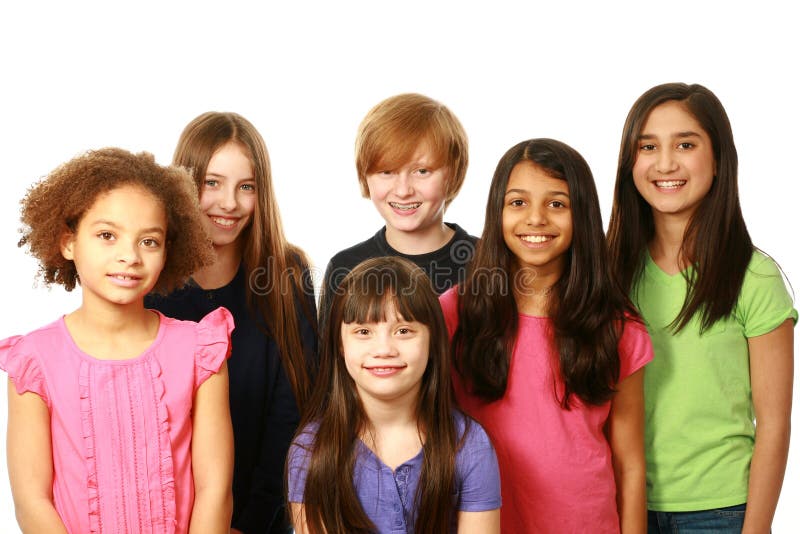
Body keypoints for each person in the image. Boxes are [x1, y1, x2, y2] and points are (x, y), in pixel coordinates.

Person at [0, 148, 234, 533]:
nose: (129, 256)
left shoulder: (200, 353)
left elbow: (215, 489)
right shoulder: (35, 361)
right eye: (107, 235)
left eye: (149, 241)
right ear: (68, 242)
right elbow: (31, 500)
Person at [607, 82, 797, 533]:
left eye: (685, 144)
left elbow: (774, 424)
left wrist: (756, 529)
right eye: (647, 146)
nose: (665, 163)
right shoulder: (608, 274)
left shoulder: (755, 278)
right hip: (619, 503)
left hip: (721, 513)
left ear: (718, 161)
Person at [441, 138, 653, 533]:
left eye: (557, 204)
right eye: (518, 202)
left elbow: (630, 463)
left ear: (583, 215)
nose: (536, 219)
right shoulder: (455, 313)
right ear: (497, 212)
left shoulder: (617, 327)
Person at [145, 111, 317, 534]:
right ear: (185, 184)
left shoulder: (286, 274)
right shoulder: (148, 276)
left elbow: (294, 410)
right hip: (164, 515)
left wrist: (252, 520)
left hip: (262, 514)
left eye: (246, 187)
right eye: (213, 183)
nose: (230, 204)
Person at [288, 256, 501, 534]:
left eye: (403, 330)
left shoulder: (468, 444)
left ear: (433, 341)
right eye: (363, 331)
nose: (384, 349)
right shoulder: (312, 449)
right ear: (339, 345)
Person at [319, 93, 476, 331]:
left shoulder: (490, 261)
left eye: (422, 171)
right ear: (365, 176)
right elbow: (329, 365)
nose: (403, 191)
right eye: (386, 172)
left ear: (453, 173)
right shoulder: (345, 268)